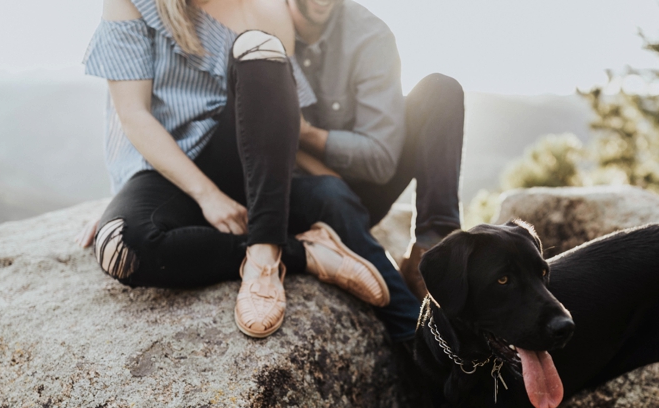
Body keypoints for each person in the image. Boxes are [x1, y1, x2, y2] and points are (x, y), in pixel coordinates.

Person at [77, 0, 421, 342]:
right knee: (118, 245)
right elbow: (133, 115)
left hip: (243, 165)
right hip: (168, 171)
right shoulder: (130, 3)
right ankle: (305, 254)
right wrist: (193, 196)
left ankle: (264, 255)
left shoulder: (267, 9)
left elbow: (276, 122)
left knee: (258, 49)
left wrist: (329, 181)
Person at [289, 0, 466, 299]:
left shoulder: (369, 33)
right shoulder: (256, 19)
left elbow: (381, 161)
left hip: (358, 192)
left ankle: (430, 252)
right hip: (291, 195)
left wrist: (304, 133)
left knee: (441, 91)